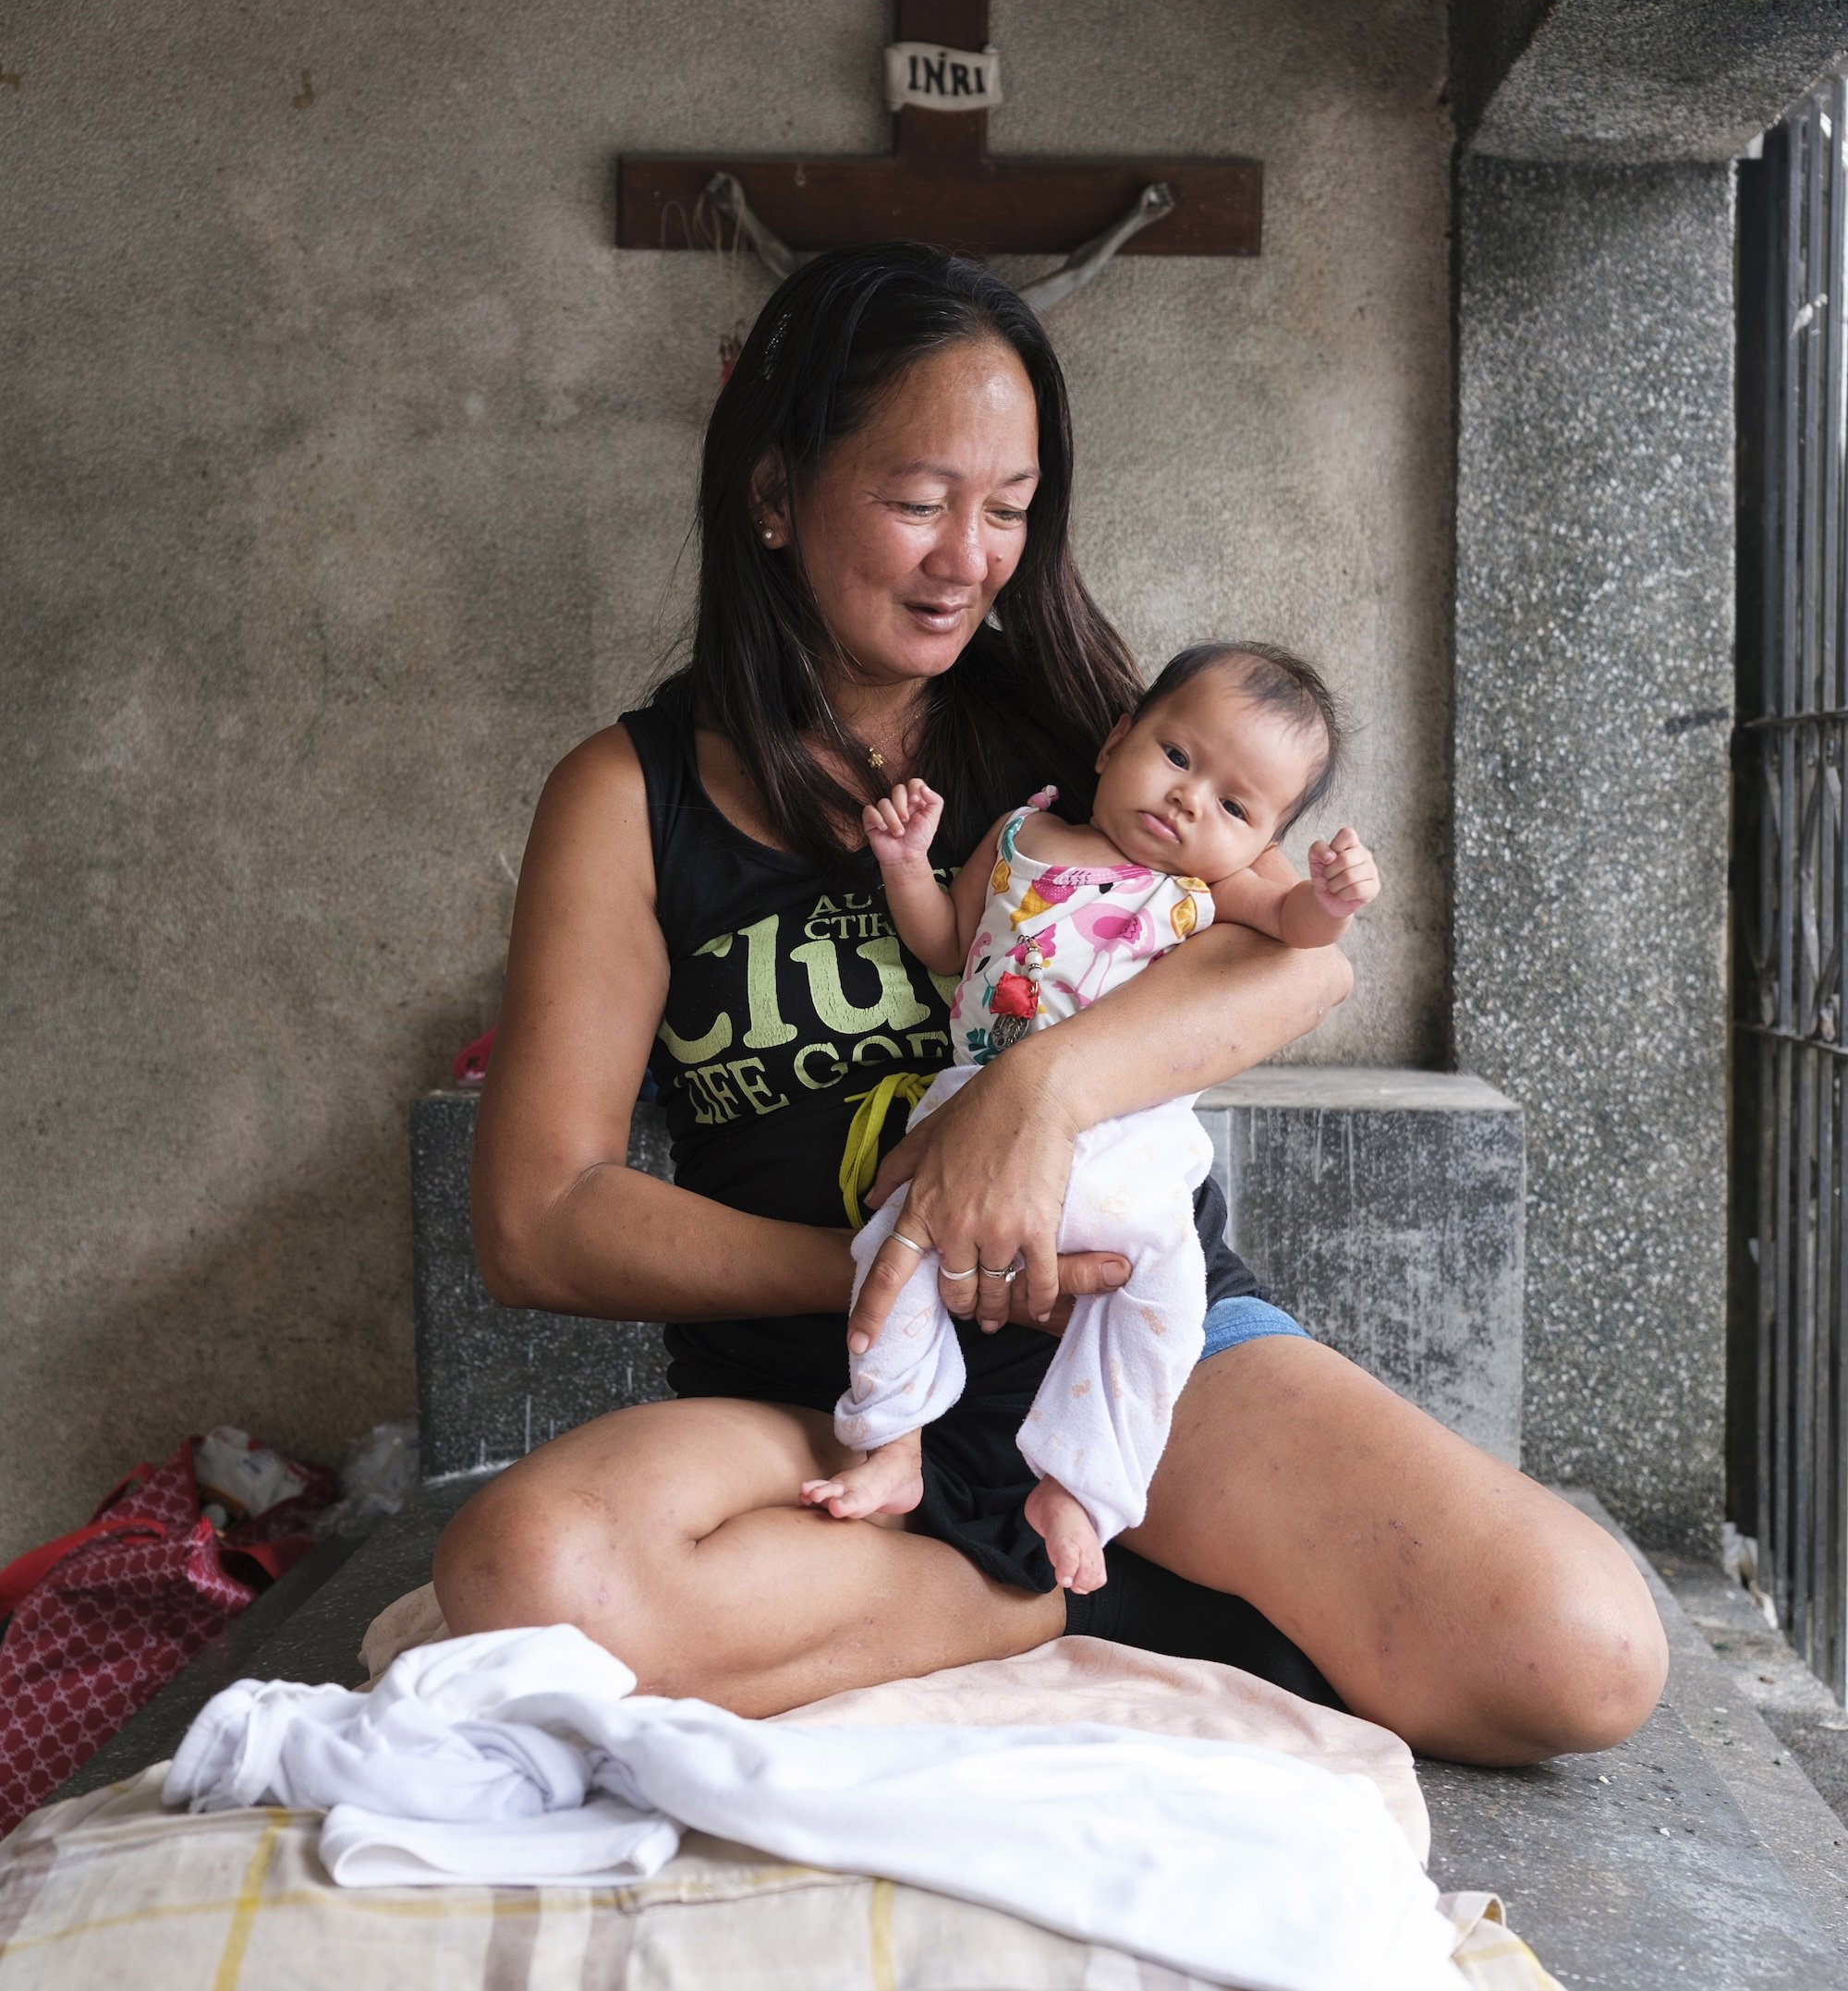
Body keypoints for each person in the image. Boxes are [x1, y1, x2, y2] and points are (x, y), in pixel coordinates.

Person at [433, 241, 1667, 1765]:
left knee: (1584, 1649)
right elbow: (540, 1218)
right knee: (523, 1581)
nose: (971, 556)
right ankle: (1065, 1602)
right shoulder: (627, 798)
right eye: (917, 498)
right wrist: (895, 1261)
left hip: (1134, 1352)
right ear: (775, 491)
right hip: (828, 1399)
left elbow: (1303, 951)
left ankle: (1012, 1561)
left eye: (1009, 509)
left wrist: (1035, 1099)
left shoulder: (1085, 726)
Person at [812, 641, 1380, 1597]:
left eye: (1235, 808)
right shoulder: (1017, 837)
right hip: (974, 1108)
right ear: (1118, 738)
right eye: (1176, 757)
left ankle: (1081, 1486)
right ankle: (891, 1442)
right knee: (890, 1249)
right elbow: (948, 944)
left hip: (1126, 1135)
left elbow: (1294, 931)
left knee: (1162, 1294)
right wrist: (905, 864)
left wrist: (1326, 899)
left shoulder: (1207, 891)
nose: (1190, 801)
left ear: (1259, 840)